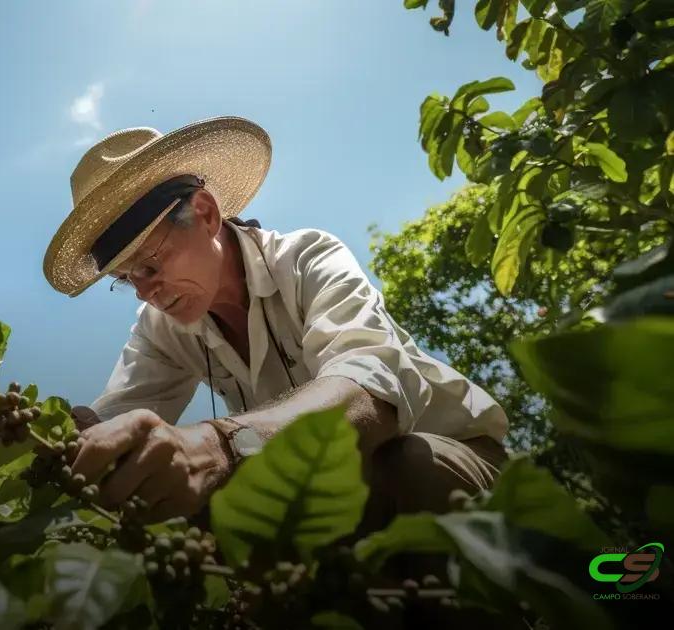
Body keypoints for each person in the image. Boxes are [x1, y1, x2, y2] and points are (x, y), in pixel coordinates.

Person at [41, 116, 509, 537]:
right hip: (326, 492)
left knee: (403, 466)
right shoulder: (160, 328)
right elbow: (112, 418)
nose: (146, 292)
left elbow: (373, 390)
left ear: (205, 213)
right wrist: (54, 437)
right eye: (126, 281)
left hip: (449, 455)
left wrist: (221, 444)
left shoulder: (306, 258)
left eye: (150, 263)